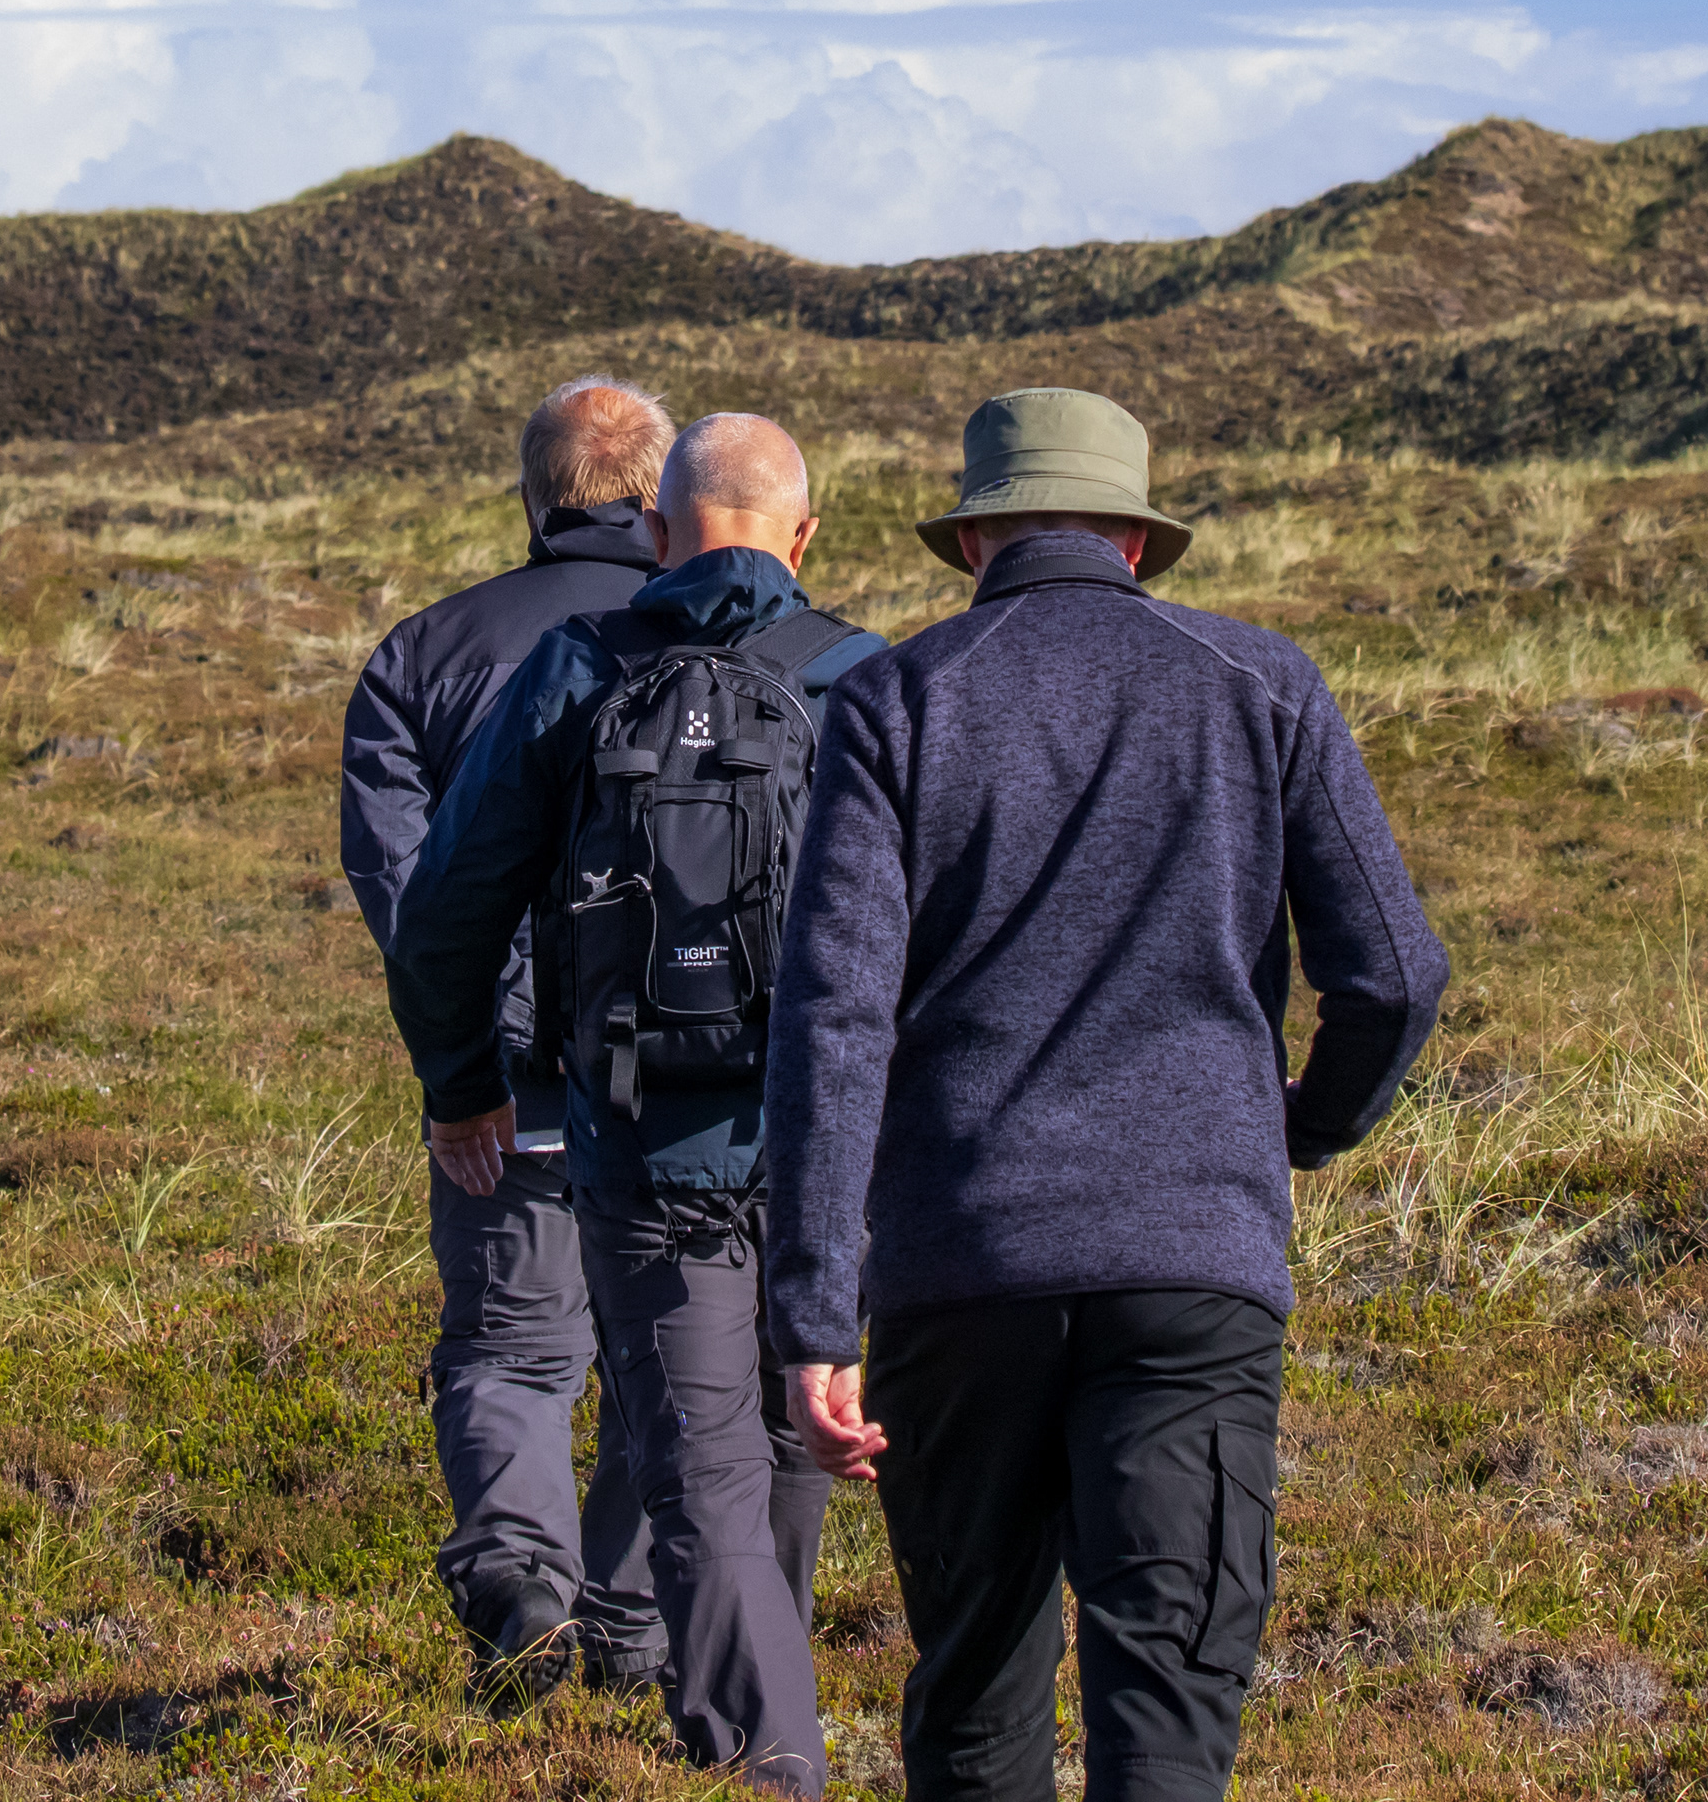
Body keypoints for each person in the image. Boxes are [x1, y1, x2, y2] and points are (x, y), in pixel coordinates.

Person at [761, 387, 1447, 1802]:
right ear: (1136, 540)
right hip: (1192, 1265)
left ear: (975, 539)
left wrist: (815, 1312)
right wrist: (1300, 1126)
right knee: (1171, 1698)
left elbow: (832, 1021)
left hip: (958, 1269)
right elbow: (1394, 976)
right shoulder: (1264, 681)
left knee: (974, 1697)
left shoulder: (896, 698)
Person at [386, 413, 887, 1796]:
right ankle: (775, 1720)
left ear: (658, 533)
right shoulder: (867, 680)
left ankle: (770, 1760)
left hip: (639, 1139)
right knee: (789, 1443)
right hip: (827, 1151)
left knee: (697, 1472)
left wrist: (463, 1087)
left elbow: (444, 916)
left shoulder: (576, 670)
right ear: (803, 536)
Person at [342, 375, 678, 1700]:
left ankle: (520, 1583)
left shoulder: (422, 654)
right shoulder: (735, 643)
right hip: (698, 1087)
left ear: (534, 496)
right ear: (659, 493)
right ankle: (634, 1630)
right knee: (678, 1360)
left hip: (512, 1086)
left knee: (510, 1349)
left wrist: (462, 1071)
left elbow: (409, 897)